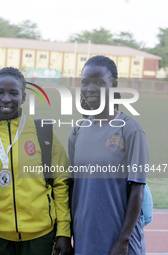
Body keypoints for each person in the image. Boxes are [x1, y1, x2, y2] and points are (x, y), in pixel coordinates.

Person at [0, 67, 73, 255]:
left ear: (23, 98)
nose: (6, 99)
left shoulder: (43, 133)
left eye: (13, 93)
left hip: (40, 238)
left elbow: (61, 185)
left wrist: (63, 232)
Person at [68, 55, 148, 254]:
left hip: (118, 243)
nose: (90, 88)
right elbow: (71, 188)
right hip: (84, 239)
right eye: (85, 83)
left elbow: (137, 190)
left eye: (98, 82)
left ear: (113, 85)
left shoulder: (130, 129)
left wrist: (123, 241)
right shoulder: (77, 132)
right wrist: (67, 234)